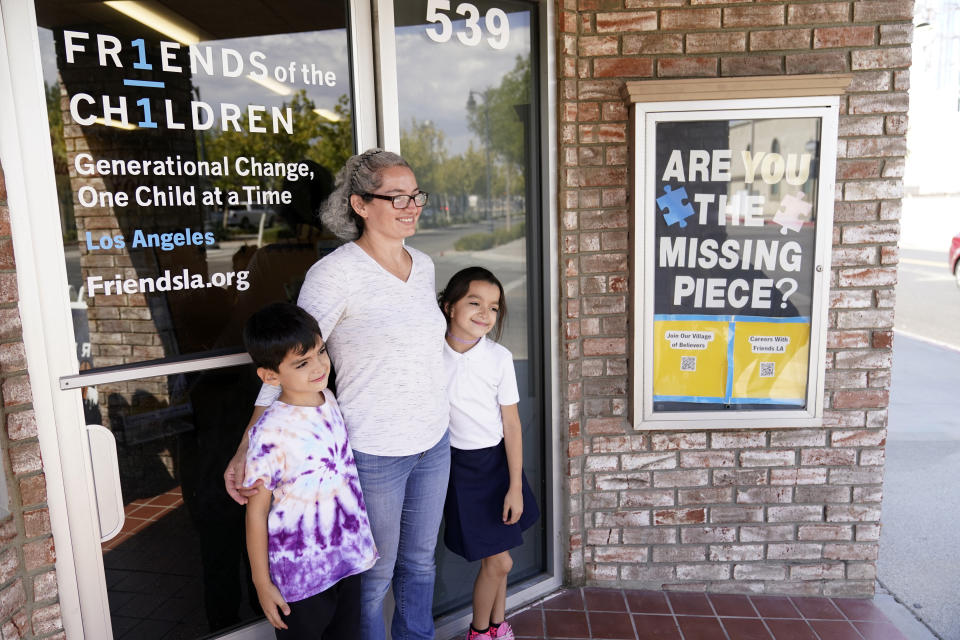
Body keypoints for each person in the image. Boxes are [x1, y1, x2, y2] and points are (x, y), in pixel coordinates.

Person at [225, 149, 450, 640]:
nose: (411, 206)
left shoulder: (425, 265)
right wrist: (248, 444)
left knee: (421, 566)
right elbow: (292, 358)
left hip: (434, 440)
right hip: (374, 451)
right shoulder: (334, 274)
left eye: (416, 195)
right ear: (361, 204)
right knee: (373, 579)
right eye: (397, 197)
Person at [241, 302, 378, 638]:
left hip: (348, 561)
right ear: (270, 376)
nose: (319, 366)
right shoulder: (270, 432)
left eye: (321, 351)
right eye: (302, 363)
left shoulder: (328, 397)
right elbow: (256, 513)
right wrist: (262, 583)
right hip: (301, 579)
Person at [437, 267, 539, 640]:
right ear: (449, 306)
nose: (485, 313)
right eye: (474, 303)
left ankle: (496, 627)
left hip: (498, 465)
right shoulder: (430, 353)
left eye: (494, 307)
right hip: (460, 470)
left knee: (499, 561)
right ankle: (480, 633)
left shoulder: (499, 357)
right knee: (500, 559)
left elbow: (511, 425)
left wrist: (515, 485)